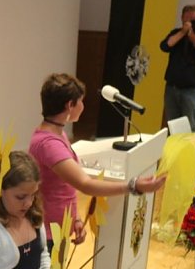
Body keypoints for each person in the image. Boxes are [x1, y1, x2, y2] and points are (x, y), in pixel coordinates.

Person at [29, 73, 166, 251]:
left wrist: (75, 217)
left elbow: (63, 185)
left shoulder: (57, 133)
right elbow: (85, 184)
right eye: (80, 101)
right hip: (48, 233)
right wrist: (134, 186)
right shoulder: (49, 144)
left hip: (58, 227)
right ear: (70, 105)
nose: (83, 106)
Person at [159, 4, 195, 132]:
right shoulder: (176, 33)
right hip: (172, 88)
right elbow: (165, 46)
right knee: (172, 126)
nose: (190, 23)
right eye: (187, 19)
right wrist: (182, 32)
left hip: (191, 90)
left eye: (193, 20)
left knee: (191, 126)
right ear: (182, 18)